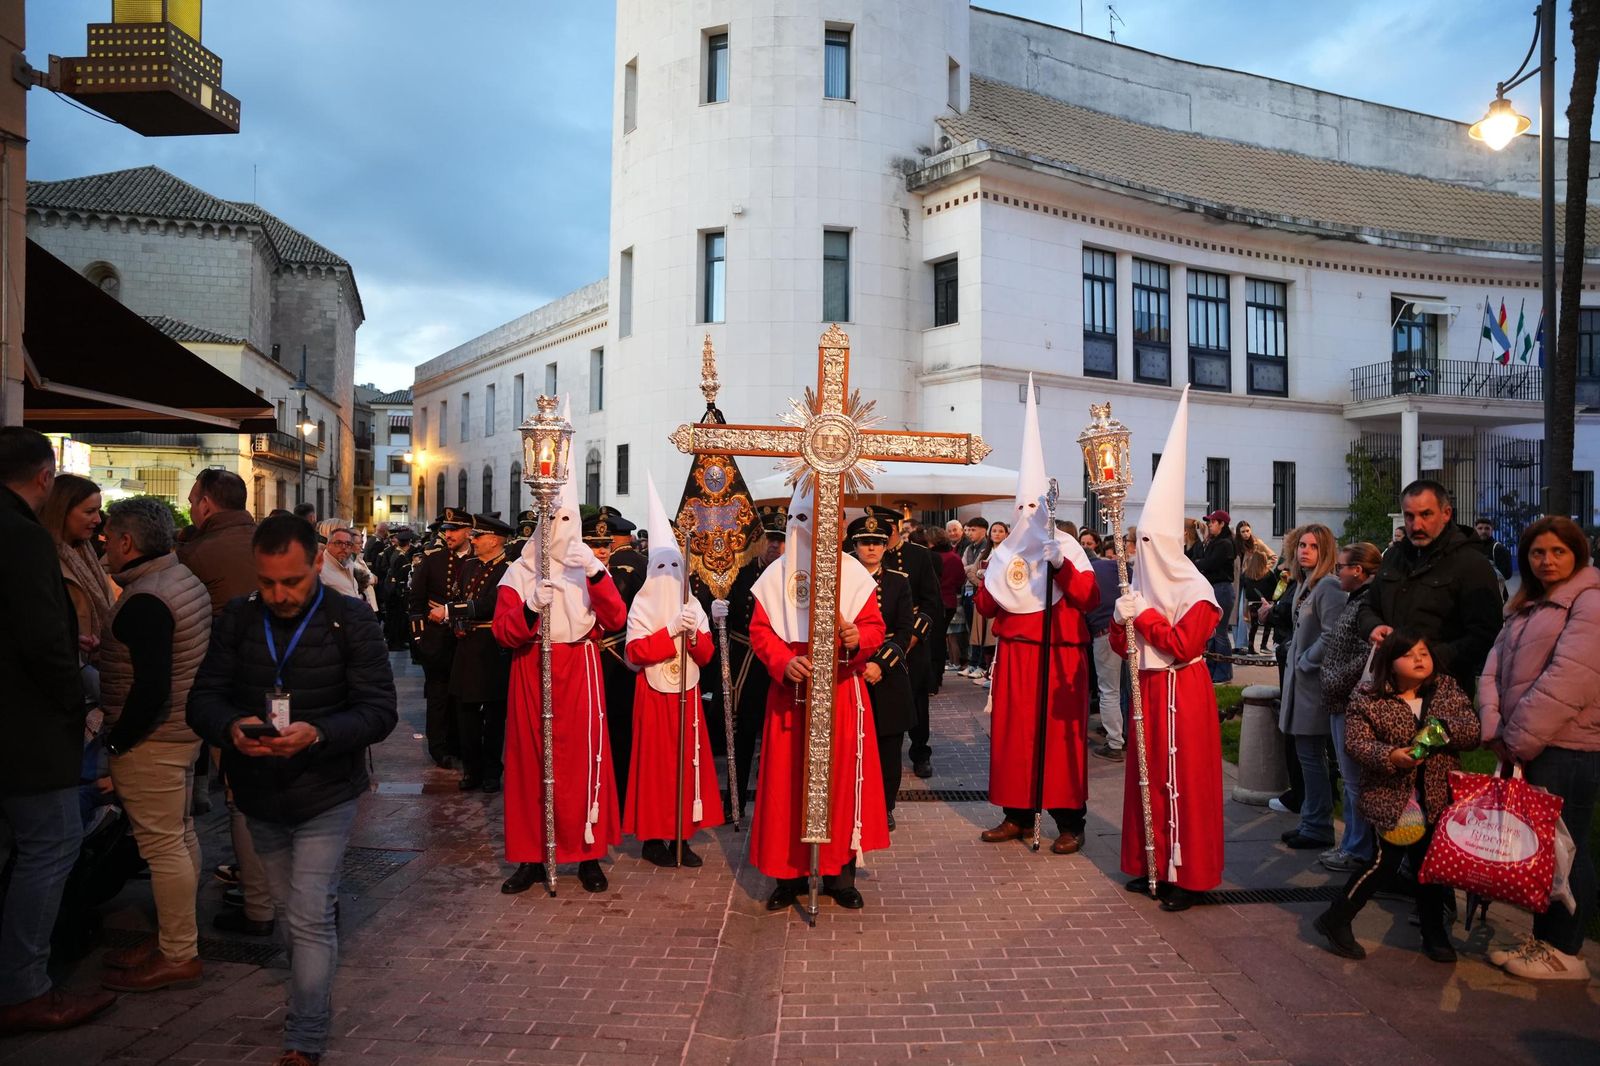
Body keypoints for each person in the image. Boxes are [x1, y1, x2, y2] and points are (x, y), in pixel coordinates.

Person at [187, 513, 397, 1065]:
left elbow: (379, 712)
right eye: (267, 582)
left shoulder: (350, 620)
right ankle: (314, 963)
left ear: (316, 565)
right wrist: (231, 728)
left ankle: (304, 1036)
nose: (279, 594)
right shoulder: (237, 618)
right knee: (290, 911)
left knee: (305, 911)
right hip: (259, 791)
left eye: (292, 581)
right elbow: (203, 700)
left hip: (326, 789)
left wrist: (320, 734)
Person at [0, 428, 117, 1035]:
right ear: (45, 478)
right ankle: (24, 988)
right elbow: (41, 642)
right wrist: (75, 700)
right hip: (27, 729)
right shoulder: (23, 538)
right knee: (53, 845)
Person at [90, 498, 213, 992]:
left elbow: (151, 686)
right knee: (179, 838)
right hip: (181, 733)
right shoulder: (180, 578)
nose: (104, 548)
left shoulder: (148, 597)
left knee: (164, 847)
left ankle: (179, 953)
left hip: (154, 739)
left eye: (108, 539)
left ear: (126, 542)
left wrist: (117, 744)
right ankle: (175, 939)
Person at [747, 486, 888, 911]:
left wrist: (855, 638)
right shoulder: (775, 575)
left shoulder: (854, 573)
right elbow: (760, 630)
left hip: (842, 690)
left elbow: (874, 628)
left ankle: (838, 874)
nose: (809, 533)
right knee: (786, 786)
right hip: (791, 694)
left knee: (841, 781)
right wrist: (782, 660)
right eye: (801, 521)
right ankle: (786, 875)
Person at [1109, 389, 1223, 912]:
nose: (1141, 555)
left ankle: (1188, 874)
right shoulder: (1145, 589)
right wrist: (1121, 618)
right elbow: (1123, 646)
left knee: (1183, 780)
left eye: (1148, 545)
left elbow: (1183, 644)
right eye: (1139, 545)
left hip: (1184, 690)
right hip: (1151, 690)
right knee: (1148, 777)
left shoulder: (1197, 593)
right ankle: (1152, 862)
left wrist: (1146, 617)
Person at [974, 389, 1099, 853]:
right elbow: (987, 610)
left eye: (1034, 508)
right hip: (1017, 654)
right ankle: (1017, 815)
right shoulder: (1004, 552)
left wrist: (1060, 564)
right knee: (1015, 738)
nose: (1028, 516)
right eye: (1021, 508)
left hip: (1061, 654)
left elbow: (1089, 596)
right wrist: (993, 575)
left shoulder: (1066, 546)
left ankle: (1070, 821)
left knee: (1060, 737)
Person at [492, 478, 628, 895]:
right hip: (533, 665)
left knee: (584, 759)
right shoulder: (519, 571)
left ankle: (587, 854)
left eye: (569, 521)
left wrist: (595, 571)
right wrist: (531, 607)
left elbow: (616, 618)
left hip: (580, 666)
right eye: (555, 521)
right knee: (532, 761)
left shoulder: (586, 566)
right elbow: (502, 632)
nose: (562, 529)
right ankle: (532, 855)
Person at [1478, 516, 1599, 981]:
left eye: (1558, 552)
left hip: (1569, 745)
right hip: (1526, 743)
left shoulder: (1589, 602)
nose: (1547, 561)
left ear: (1578, 555)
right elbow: (1492, 668)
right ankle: (1544, 941)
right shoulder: (1529, 602)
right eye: (1537, 552)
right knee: (1545, 850)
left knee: (1569, 848)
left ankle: (1566, 950)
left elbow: (1571, 679)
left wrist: (1518, 739)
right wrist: (1494, 724)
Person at [1313, 631, 1479, 964]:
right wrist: (1390, 756)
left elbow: (1472, 729)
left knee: (1427, 868)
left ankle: (1434, 933)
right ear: (1389, 663)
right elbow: (1356, 743)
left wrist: (1443, 730)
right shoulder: (1369, 696)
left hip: (1436, 797)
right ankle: (1338, 917)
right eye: (1409, 655)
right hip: (1393, 798)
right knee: (1384, 864)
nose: (1419, 660)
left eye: (1424, 653)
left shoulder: (1445, 689)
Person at [176, 469, 274, 937]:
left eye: (193, 500)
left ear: (208, 505)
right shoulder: (269, 542)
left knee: (241, 797)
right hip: (288, 688)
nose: (192, 508)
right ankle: (281, 894)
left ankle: (258, 904)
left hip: (232, 693)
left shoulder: (195, 553)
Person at [623, 480, 721, 866]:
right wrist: (669, 633)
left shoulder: (692, 603)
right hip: (652, 696)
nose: (667, 573)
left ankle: (682, 836)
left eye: (673, 566)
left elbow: (708, 655)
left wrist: (695, 631)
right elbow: (635, 652)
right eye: (660, 566)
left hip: (688, 694)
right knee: (655, 766)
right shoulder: (642, 605)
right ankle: (652, 838)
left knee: (687, 764)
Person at [1355, 480, 1502, 692]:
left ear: (1446, 513)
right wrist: (1373, 627)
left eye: (1426, 515)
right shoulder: (1394, 557)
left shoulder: (1472, 564)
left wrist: (1427, 659)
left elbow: (1485, 635)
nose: (1416, 526)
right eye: (1409, 516)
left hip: (1443, 692)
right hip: (1389, 687)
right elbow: (1367, 606)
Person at [1312, 542, 1384, 874]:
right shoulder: (1356, 599)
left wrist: (1337, 677)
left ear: (1358, 570)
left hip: (1351, 699)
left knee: (1354, 781)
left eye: (1341, 565)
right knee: (1350, 778)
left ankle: (1358, 848)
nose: (1336, 571)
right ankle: (1354, 844)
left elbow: (1367, 655)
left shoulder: (1366, 603)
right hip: (1342, 696)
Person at [1275, 524, 1346, 851]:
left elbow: (1333, 634)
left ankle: (1318, 825)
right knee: (1308, 757)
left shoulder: (1328, 586)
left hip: (1313, 685)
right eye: (1302, 545)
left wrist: (1305, 660)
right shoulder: (1306, 585)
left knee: (1313, 757)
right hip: (1299, 684)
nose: (1304, 551)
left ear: (1325, 551)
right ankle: (1311, 820)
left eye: (1313, 546)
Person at [711, 506, 786, 810]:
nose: (774, 545)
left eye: (780, 539)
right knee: (738, 730)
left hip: (779, 658)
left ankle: (776, 803)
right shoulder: (740, 574)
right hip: (744, 658)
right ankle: (735, 799)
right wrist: (715, 610)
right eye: (769, 538)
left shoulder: (792, 574)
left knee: (777, 732)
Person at [848, 512, 916, 832]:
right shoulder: (842, 578)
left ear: (885, 546)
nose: (872, 549)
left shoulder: (899, 581)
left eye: (877, 543)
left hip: (888, 669)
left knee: (889, 744)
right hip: (851, 666)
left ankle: (885, 806)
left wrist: (880, 664)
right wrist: (861, 663)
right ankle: (853, 802)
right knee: (853, 740)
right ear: (855, 545)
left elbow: (904, 630)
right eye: (865, 543)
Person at [872, 506, 941, 780]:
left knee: (916, 699)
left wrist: (911, 639)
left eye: (885, 530)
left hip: (911, 641)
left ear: (896, 528)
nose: (880, 537)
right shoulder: (863, 557)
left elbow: (931, 603)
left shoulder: (919, 556)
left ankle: (920, 753)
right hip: (876, 640)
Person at [446, 513, 513, 793]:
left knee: (494, 716)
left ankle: (490, 772)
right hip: (466, 646)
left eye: (478, 536)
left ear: (494, 540)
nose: (472, 540)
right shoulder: (470, 565)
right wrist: (457, 618)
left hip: (492, 647)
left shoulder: (508, 568)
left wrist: (454, 611)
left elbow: (491, 604)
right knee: (466, 713)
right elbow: (458, 593)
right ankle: (471, 769)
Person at [587, 509, 645, 808]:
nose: (602, 551)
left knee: (619, 732)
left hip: (614, 659)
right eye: (595, 546)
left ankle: (620, 798)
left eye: (606, 545)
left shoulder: (622, 573)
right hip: (584, 662)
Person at [408, 507, 473, 768]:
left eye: (454, 530)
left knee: (463, 697)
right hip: (437, 642)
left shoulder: (476, 561)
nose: (448, 535)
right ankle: (439, 748)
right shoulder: (432, 561)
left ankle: (460, 745)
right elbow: (415, 603)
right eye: (446, 530)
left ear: (470, 532)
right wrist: (419, 640)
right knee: (438, 697)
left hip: (466, 641)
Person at [41, 474, 116, 653]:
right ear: (62, 511)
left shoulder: (87, 550)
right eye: (90, 512)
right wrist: (69, 639)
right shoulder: (42, 556)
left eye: (98, 510)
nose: (98, 520)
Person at [1088, 545, 1129, 762]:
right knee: (1135, 690)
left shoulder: (1085, 574)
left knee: (1109, 690)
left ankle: (1114, 743)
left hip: (1105, 633)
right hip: (1133, 629)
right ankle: (1138, 737)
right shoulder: (1112, 566)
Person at [1194, 510, 1235, 682]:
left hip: (1221, 589)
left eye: (1212, 522)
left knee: (1220, 632)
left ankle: (1223, 672)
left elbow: (1209, 564)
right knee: (1211, 632)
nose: (1209, 525)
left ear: (1222, 524)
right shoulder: (1214, 542)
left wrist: (1196, 564)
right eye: (1209, 522)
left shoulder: (1224, 544)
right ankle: (1212, 670)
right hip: (1214, 588)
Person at [963, 521, 1006, 682]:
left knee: (991, 636)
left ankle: (987, 669)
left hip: (998, 597)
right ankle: (981, 666)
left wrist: (992, 579)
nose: (997, 534)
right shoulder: (985, 551)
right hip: (983, 594)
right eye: (994, 531)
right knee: (980, 634)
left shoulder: (1007, 552)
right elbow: (972, 571)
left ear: (1006, 534)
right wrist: (982, 582)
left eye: (1001, 531)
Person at [1238, 530, 1278, 655]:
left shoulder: (1246, 574)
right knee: (1268, 624)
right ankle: (1263, 646)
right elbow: (1275, 587)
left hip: (1252, 603)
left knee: (1254, 626)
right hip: (1266, 602)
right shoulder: (1268, 574)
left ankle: (1250, 647)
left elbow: (1243, 586)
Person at [1474, 517, 1515, 601]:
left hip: (1494, 598)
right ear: (1475, 530)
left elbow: (1507, 574)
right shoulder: (1471, 548)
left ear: (1491, 530)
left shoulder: (1498, 549)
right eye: (1480, 528)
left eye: (1487, 528)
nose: (1483, 531)